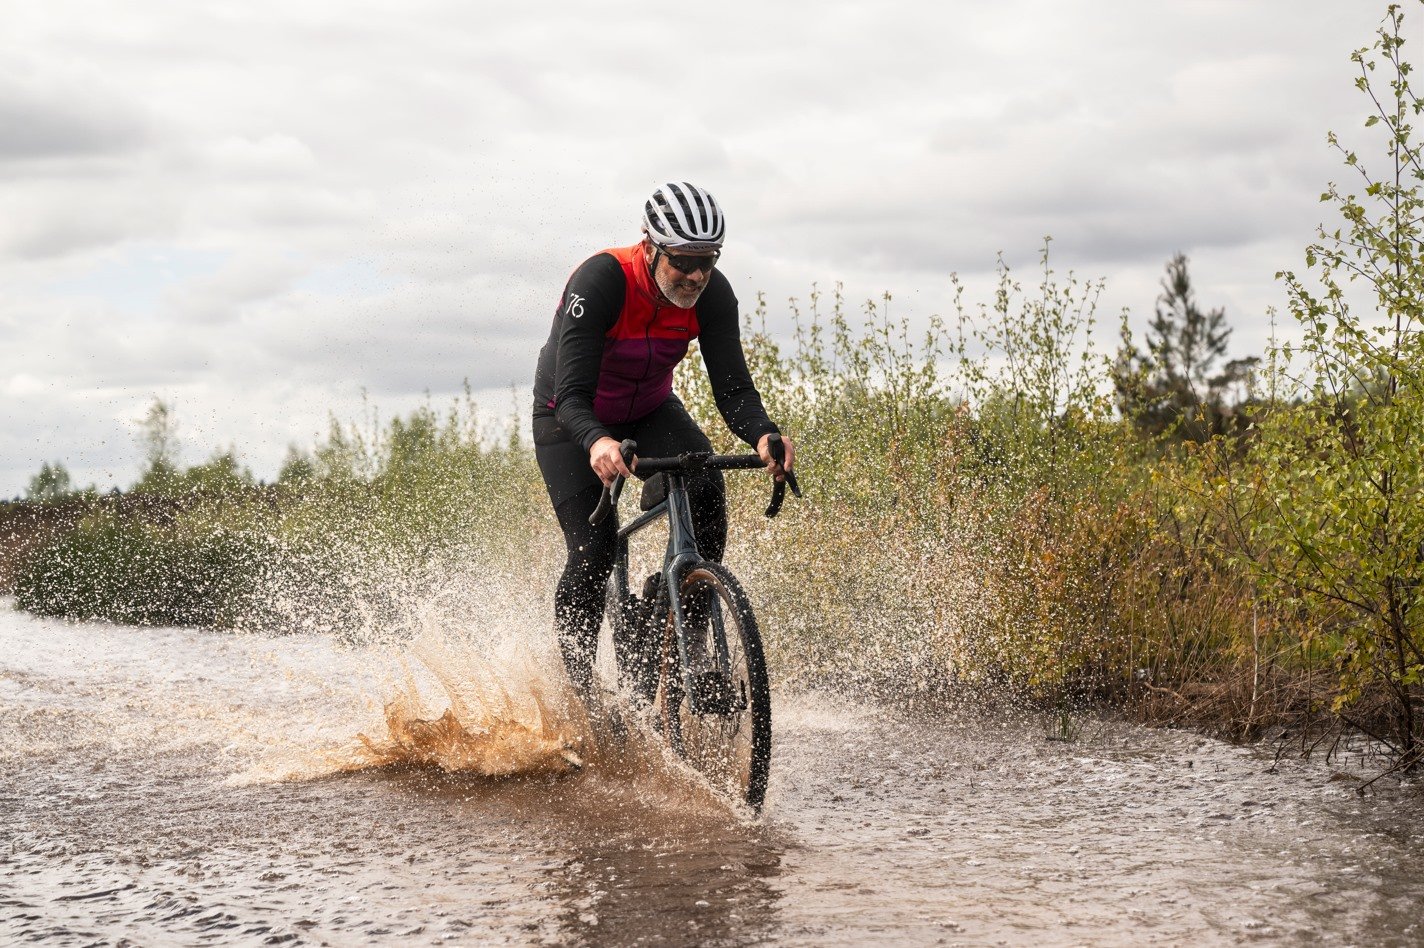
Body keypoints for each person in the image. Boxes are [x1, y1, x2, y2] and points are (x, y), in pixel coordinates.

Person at [531, 181, 795, 699]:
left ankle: (683, 633)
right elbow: (572, 395)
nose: (697, 275)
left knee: (705, 485)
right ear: (650, 248)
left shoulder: (713, 295)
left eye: (709, 260)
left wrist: (764, 433)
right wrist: (597, 442)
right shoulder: (602, 280)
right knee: (593, 552)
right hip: (568, 417)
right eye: (683, 261)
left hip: (649, 406)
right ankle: (581, 693)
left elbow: (734, 388)